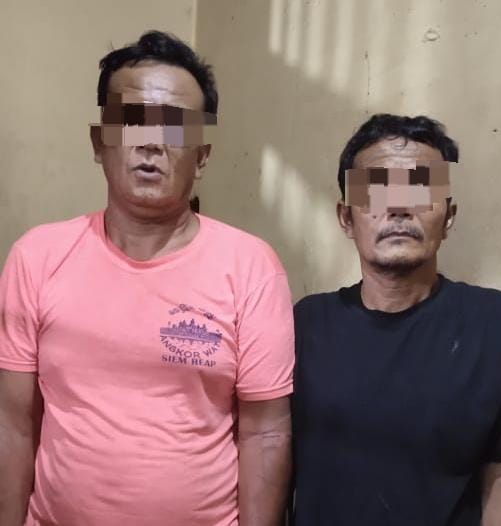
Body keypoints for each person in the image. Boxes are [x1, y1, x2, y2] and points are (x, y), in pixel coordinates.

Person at [0, 30, 294, 526]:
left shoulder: (251, 267)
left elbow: (264, 434)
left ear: (202, 155)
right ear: (100, 142)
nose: (152, 143)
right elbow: (13, 423)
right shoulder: (37, 257)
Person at [291, 114, 501, 526]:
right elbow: (271, 451)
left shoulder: (496, 323)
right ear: (346, 218)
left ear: (449, 216)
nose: (399, 207)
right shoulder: (306, 323)